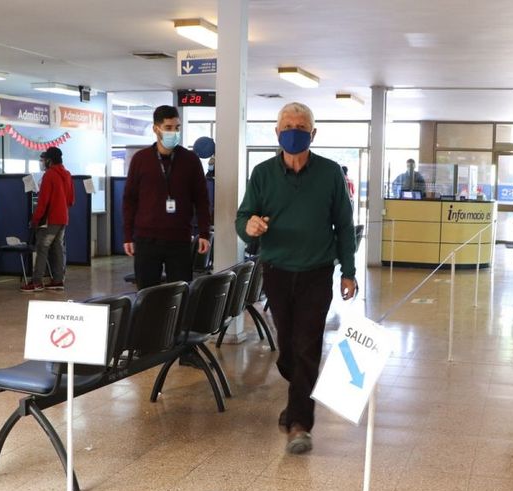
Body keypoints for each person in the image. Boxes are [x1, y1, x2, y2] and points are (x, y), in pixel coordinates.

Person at [236, 102, 358, 455]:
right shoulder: (262, 174)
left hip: (317, 272)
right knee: (288, 349)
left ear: (313, 133)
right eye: (287, 125)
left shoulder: (330, 173)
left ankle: (300, 425)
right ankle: (297, 399)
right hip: (276, 270)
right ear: (277, 132)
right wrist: (250, 226)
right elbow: (244, 215)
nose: (294, 130)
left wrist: (348, 271)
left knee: (307, 345)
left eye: (301, 125)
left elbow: (344, 227)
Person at [123, 105, 210, 288]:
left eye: (177, 127)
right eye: (168, 128)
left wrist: (204, 232)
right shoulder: (141, 159)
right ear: (156, 129)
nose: (174, 132)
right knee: (147, 295)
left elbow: (201, 199)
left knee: (181, 293)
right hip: (146, 239)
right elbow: (130, 199)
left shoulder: (190, 160)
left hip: (179, 238)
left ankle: (178, 319)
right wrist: (127, 236)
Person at [22, 146, 73, 292]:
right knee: (57, 248)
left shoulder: (49, 175)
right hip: (63, 218)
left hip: (49, 220)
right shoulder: (67, 174)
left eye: (43, 160)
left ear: (50, 161)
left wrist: (35, 219)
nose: (42, 163)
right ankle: (57, 280)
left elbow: (43, 201)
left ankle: (36, 281)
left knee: (42, 248)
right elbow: (71, 199)